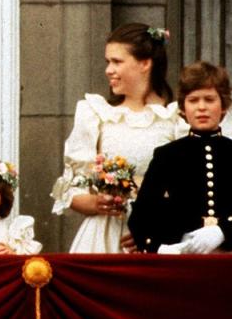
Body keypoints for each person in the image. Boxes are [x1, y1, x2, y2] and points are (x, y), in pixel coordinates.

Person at [50, 23, 188, 253]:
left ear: (145, 63)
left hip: (158, 237)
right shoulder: (96, 114)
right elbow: (71, 189)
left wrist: (159, 225)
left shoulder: (175, 120)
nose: (108, 70)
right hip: (103, 237)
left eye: (117, 62)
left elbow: (189, 192)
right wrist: (97, 202)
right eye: (108, 62)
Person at [128, 61, 232, 254]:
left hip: (229, 258)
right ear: (182, 108)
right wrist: (162, 248)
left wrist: (223, 231)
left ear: (223, 105)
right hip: (180, 261)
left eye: (209, 99)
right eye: (193, 100)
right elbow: (140, 217)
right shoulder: (167, 155)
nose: (201, 107)